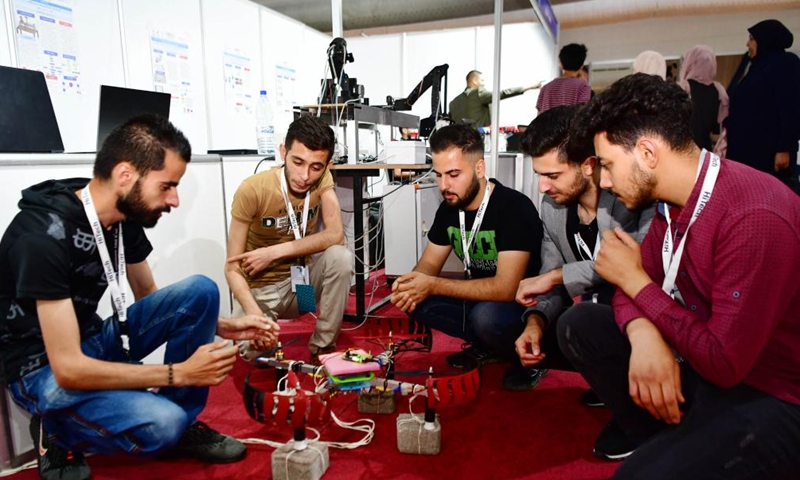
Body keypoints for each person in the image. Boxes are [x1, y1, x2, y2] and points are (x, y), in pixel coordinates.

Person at [0, 115, 277, 480]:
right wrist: (177, 373)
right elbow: (67, 367)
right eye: (167, 186)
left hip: (91, 342)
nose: (175, 200)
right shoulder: (42, 237)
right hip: (43, 372)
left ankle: (185, 424)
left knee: (201, 290)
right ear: (125, 174)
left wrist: (226, 327)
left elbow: (148, 295)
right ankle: (56, 431)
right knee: (162, 424)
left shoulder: (120, 215)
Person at [561, 73, 800, 478]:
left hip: (773, 394)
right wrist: (644, 336)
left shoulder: (752, 215)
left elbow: (725, 362)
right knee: (579, 323)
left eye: (607, 165)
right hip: (703, 361)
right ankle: (667, 436)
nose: (603, 181)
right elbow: (626, 287)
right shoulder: (674, 202)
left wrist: (637, 282)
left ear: (648, 152)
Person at [499, 105, 654, 392]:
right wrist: (535, 323)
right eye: (539, 175)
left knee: (579, 318)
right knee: (494, 322)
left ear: (588, 165)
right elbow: (549, 283)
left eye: (553, 175)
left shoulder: (629, 199)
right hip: (590, 317)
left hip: (642, 320)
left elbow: (642, 266)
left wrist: (556, 275)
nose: (543, 187)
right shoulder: (552, 208)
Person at [390, 124, 543, 374]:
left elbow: (506, 289)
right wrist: (412, 284)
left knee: (486, 317)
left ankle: (526, 352)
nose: (444, 185)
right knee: (414, 300)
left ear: (479, 168)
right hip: (479, 296)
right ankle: (489, 343)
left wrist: (431, 285)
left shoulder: (514, 208)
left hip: (522, 304)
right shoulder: (450, 207)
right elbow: (428, 265)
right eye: (438, 175)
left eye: (453, 174)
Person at [226, 115, 352, 364]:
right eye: (297, 162)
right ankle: (265, 334)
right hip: (261, 291)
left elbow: (335, 234)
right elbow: (231, 268)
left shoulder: (321, 178)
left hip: (301, 291)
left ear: (327, 165)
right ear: (283, 152)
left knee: (341, 256)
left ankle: (323, 346)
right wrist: (253, 313)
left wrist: (273, 252)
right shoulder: (252, 189)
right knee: (254, 352)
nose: (305, 176)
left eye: (316, 167)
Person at [725, 19, 800, 187]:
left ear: (766, 39)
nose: (747, 44)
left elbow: (791, 109)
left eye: (751, 38)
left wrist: (784, 148)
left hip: (768, 153)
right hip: (747, 154)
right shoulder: (755, 67)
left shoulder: (786, 63)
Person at [677, 45, 729, 152]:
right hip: (706, 150)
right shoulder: (719, 91)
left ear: (690, 62)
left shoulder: (683, 87)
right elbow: (717, 128)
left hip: (683, 148)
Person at [449, 70, 541, 127]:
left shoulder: (453, 103)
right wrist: (528, 87)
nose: (484, 84)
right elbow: (503, 93)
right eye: (482, 80)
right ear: (474, 81)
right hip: (477, 141)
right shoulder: (478, 93)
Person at [536, 43, 592, 114]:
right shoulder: (583, 86)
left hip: (547, 124)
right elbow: (582, 114)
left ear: (561, 64)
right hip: (570, 125)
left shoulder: (546, 88)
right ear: (581, 66)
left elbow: (539, 116)